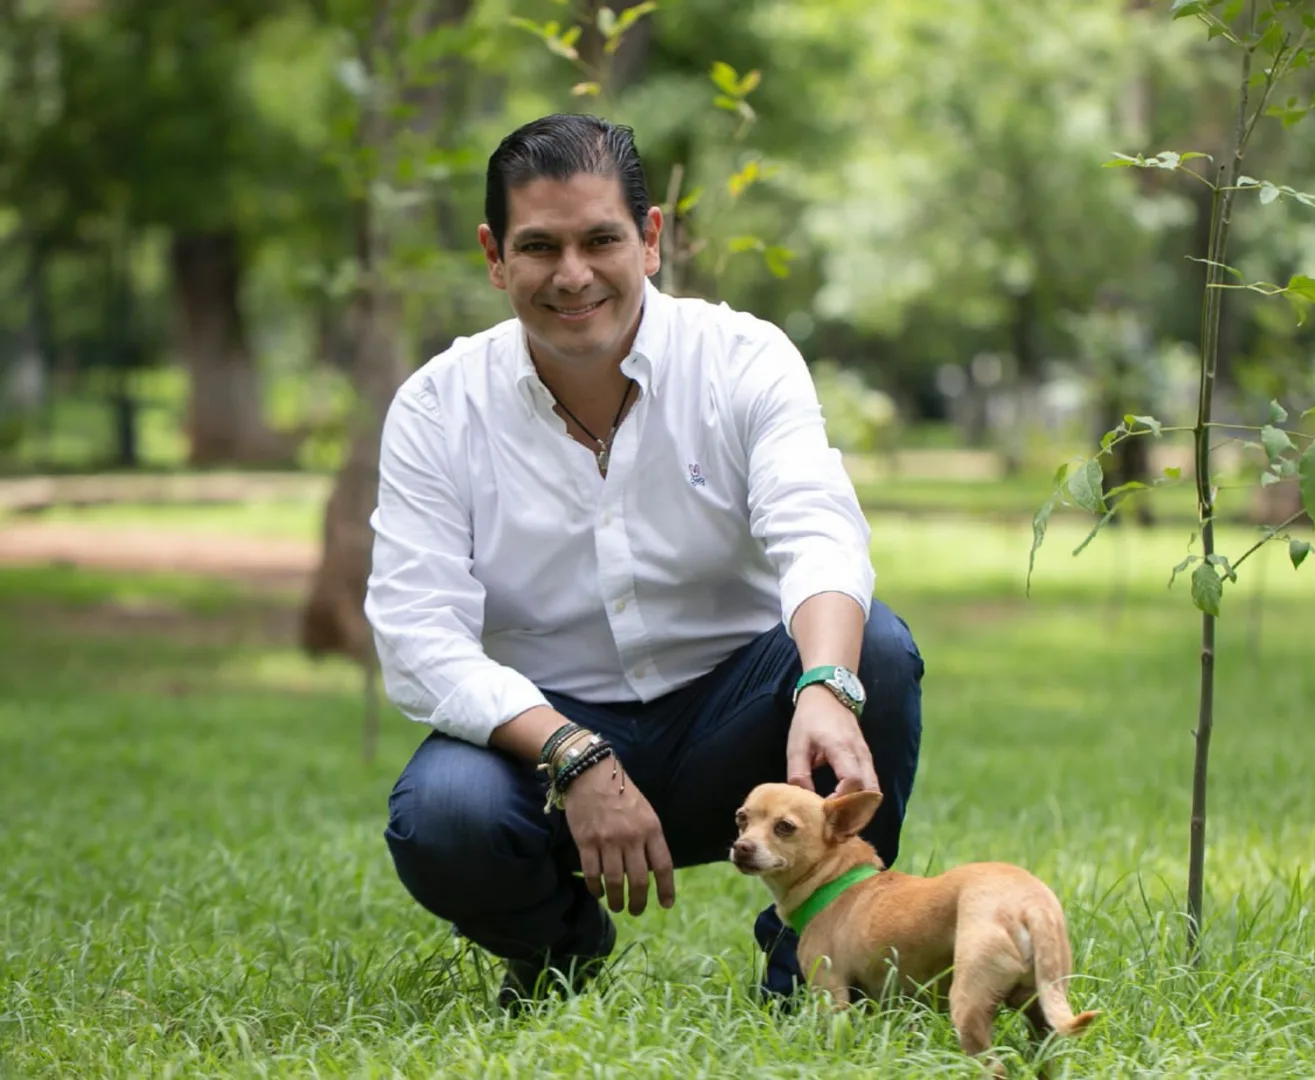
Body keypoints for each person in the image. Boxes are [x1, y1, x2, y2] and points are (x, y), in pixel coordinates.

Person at [364, 112, 925, 1012]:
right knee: (444, 814)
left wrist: (826, 682)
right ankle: (558, 952)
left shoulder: (742, 358)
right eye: (538, 246)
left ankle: (812, 969)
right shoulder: (437, 409)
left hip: (740, 718)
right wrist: (574, 755)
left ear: (651, 238)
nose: (572, 274)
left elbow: (816, 528)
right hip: (547, 731)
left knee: (877, 654)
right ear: (494, 256)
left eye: (600, 240)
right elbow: (416, 634)